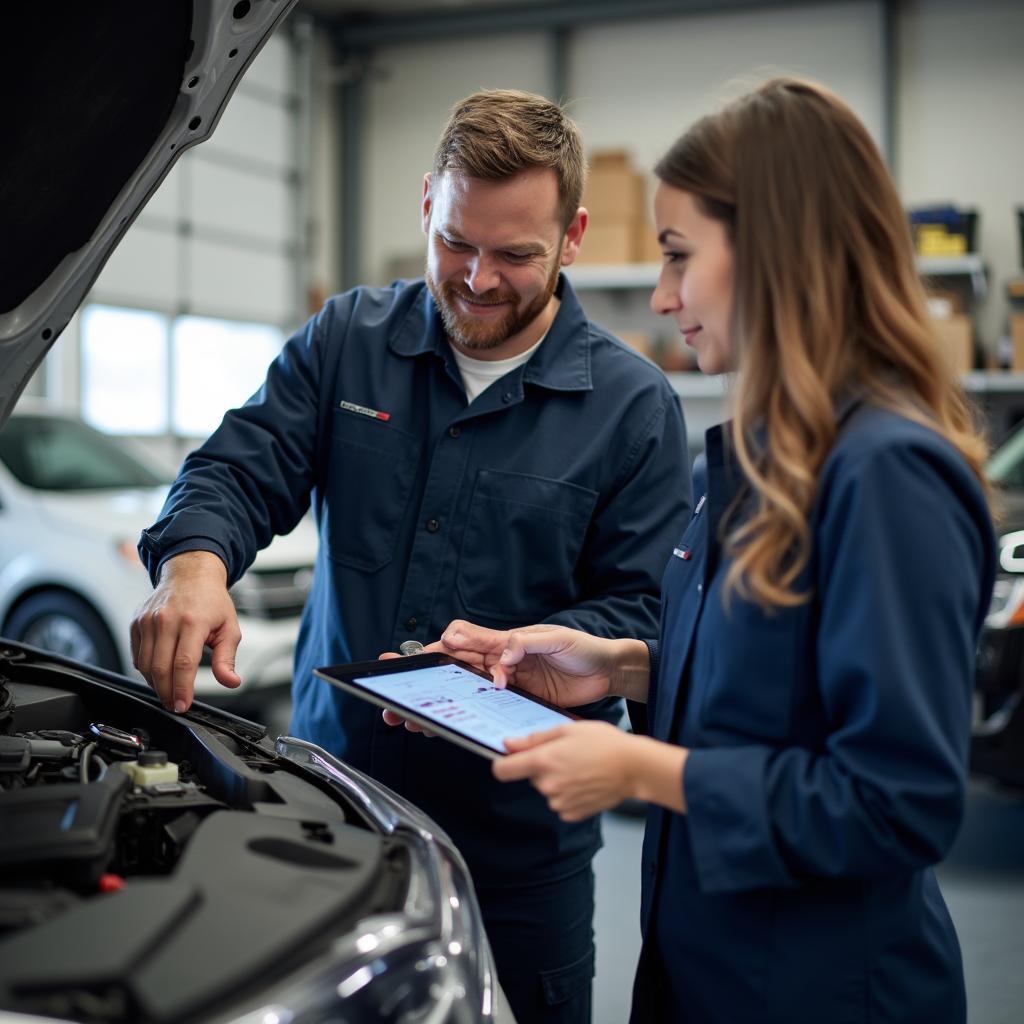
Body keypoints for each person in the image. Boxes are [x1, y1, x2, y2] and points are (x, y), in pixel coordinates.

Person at [434, 78, 997, 1023]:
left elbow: (899, 801)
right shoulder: (760, 461)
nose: (661, 295)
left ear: (779, 256)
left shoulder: (888, 475)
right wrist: (614, 666)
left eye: (678, 257)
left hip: (823, 990)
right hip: (710, 964)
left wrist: (639, 770)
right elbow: (782, 686)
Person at [130, 89, 691, 1022]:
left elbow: (642, 614)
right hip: (329, 814)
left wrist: (524, 658)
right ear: (428, 200)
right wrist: (193, 558)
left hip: (519, 858)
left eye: (515, 254)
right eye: (456, 242)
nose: (476, 279)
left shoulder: (634, 409)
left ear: (574, 234)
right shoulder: (348, 341)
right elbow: (238, 468)